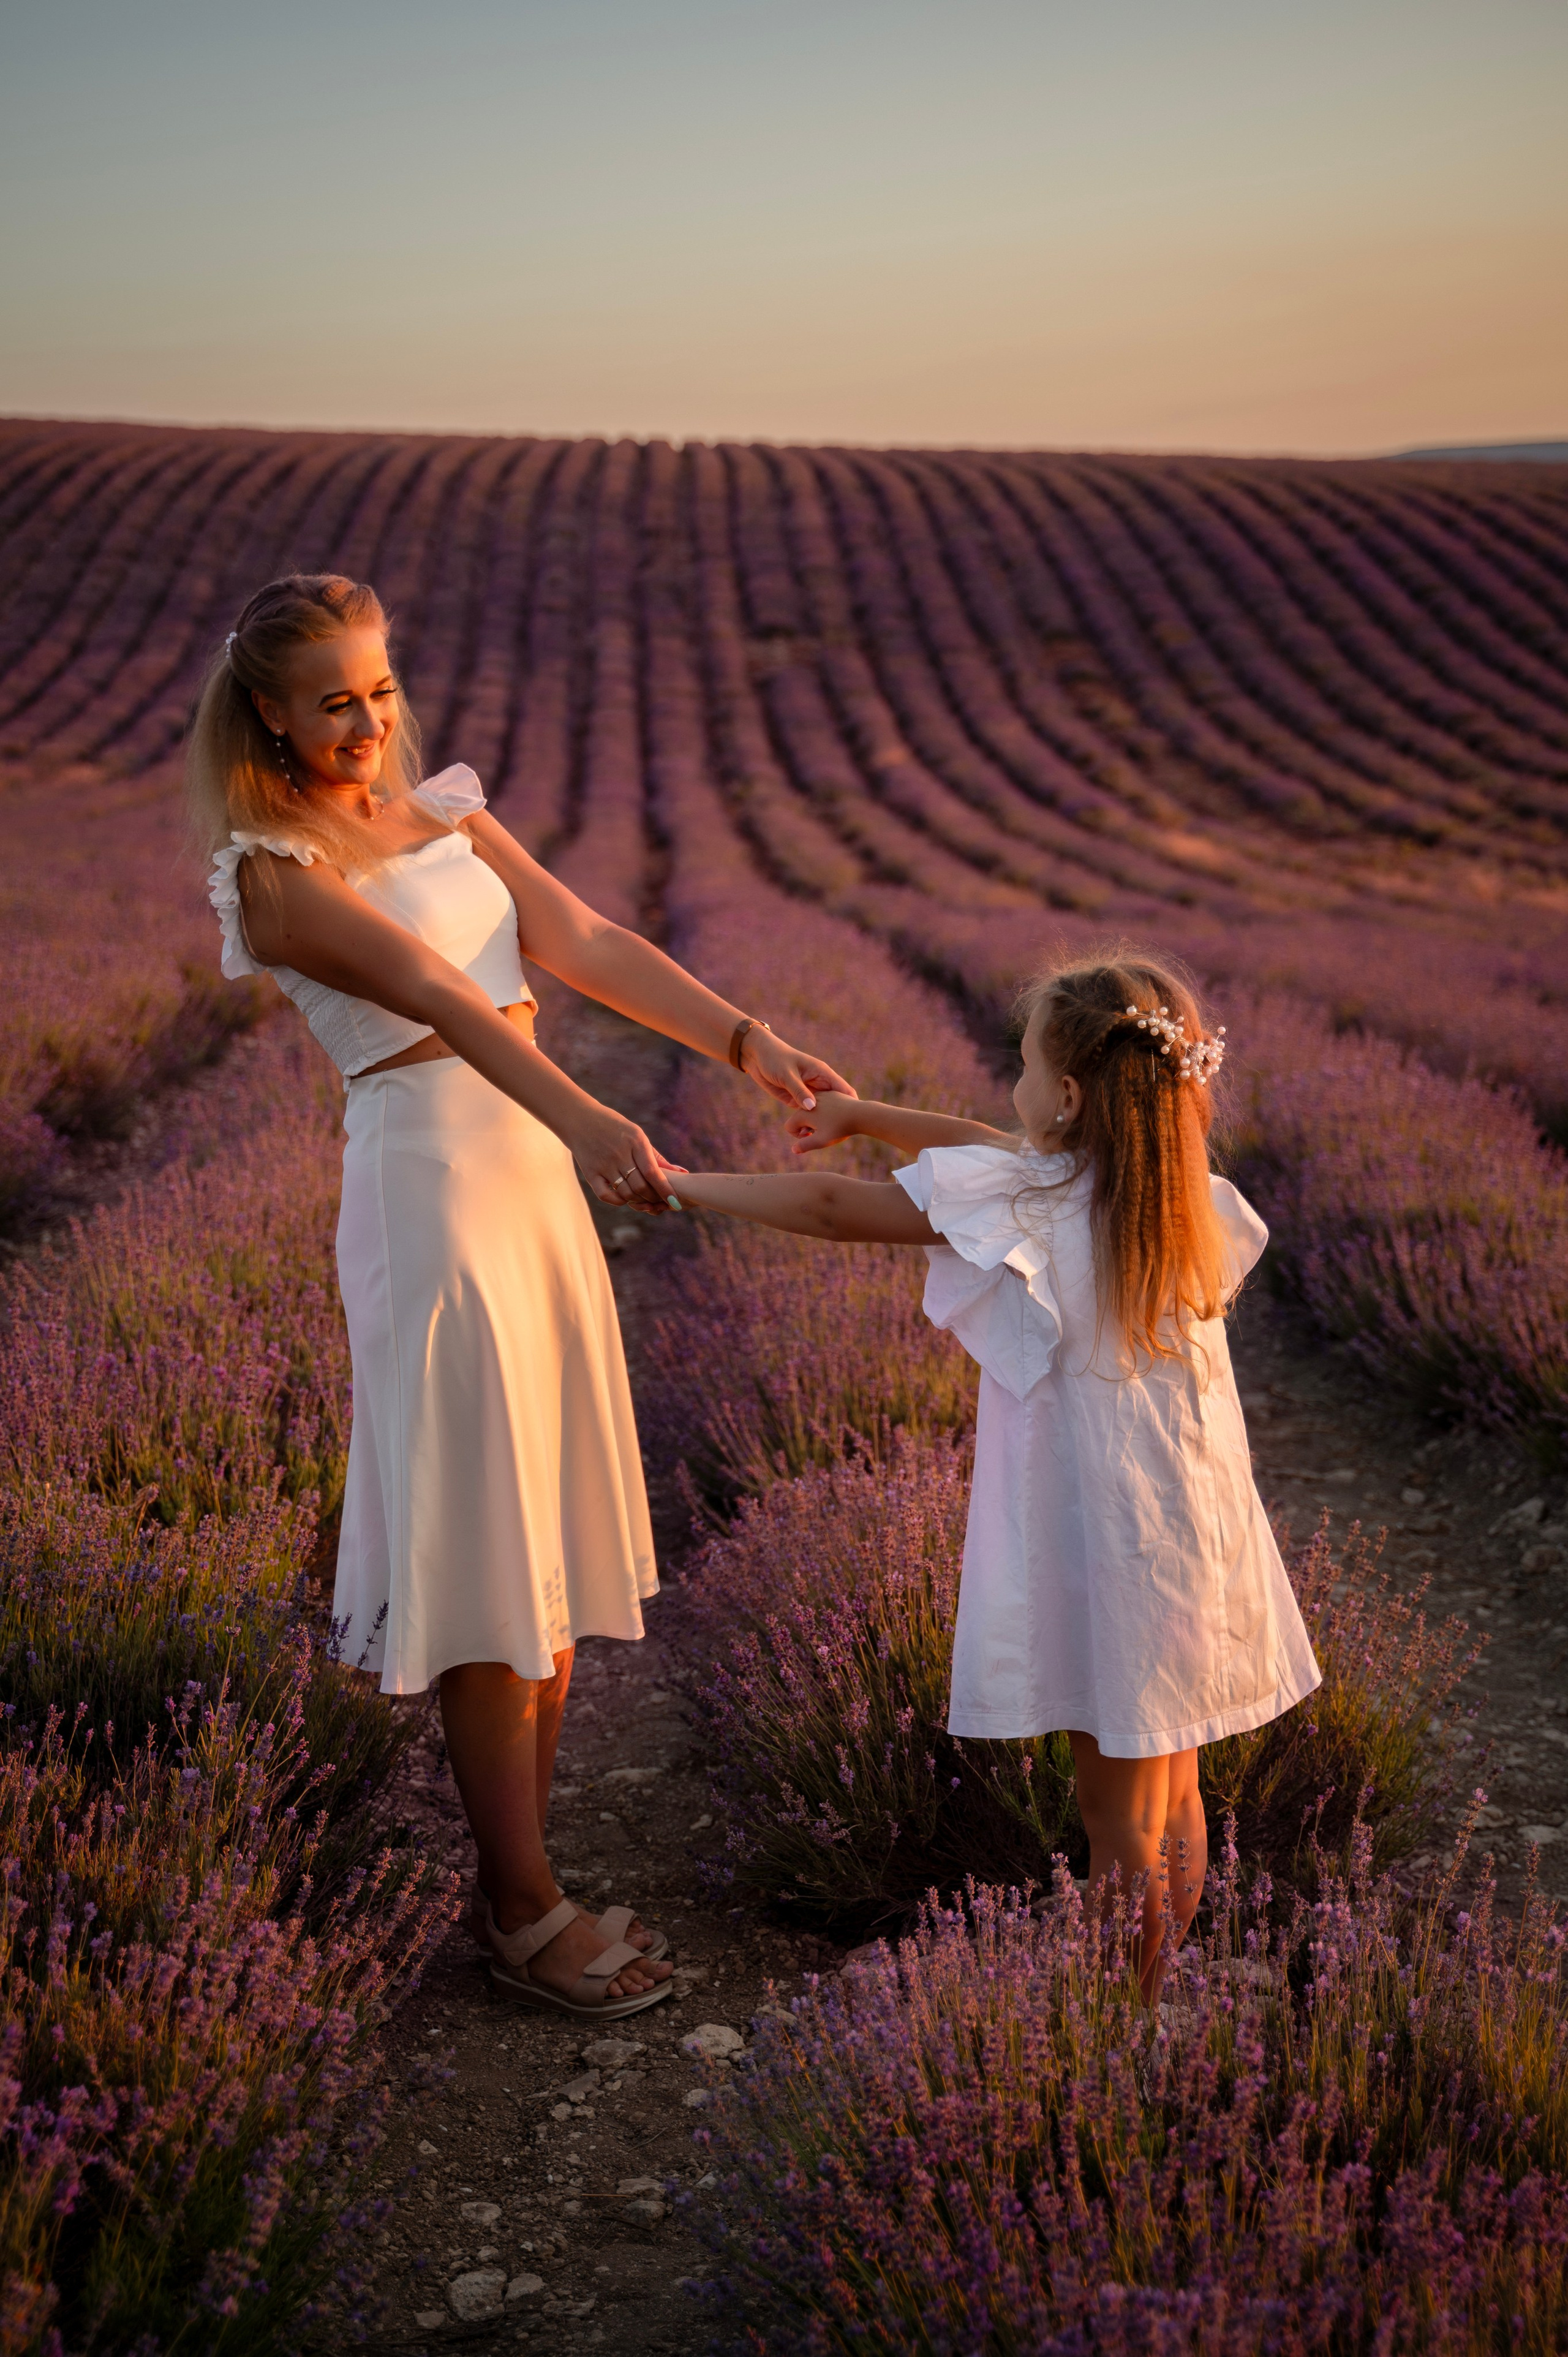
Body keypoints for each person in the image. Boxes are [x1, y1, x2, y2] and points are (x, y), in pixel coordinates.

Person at [188, 572, 853, 2022]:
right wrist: (582, 1119)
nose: (367, 721)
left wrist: (751, 1041)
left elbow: (583, 941)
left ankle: (520, 1877)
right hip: (433, 1192)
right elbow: (437, 996)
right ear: (268, 714)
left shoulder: (438, 807)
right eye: (332, 702)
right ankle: (517, 1903)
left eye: (377, 689)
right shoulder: (270, 873)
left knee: (538, 1540)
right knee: (489, 1561)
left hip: (525, 1187)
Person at [662, 952, 1321, 1999]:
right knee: (1174, 1798)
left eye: (1021, 1069)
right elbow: (1001, 1151)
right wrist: (870, 1112)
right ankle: (1153, 1992)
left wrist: (679, 1183)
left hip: (1104, 1555)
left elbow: (838, 1209)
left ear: (1066, 1098)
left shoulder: (1040, 1203)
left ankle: (1121, 2026)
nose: (1008, 1093)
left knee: (1117, 1828)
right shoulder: (1188, 1200)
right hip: (1196, 1543)